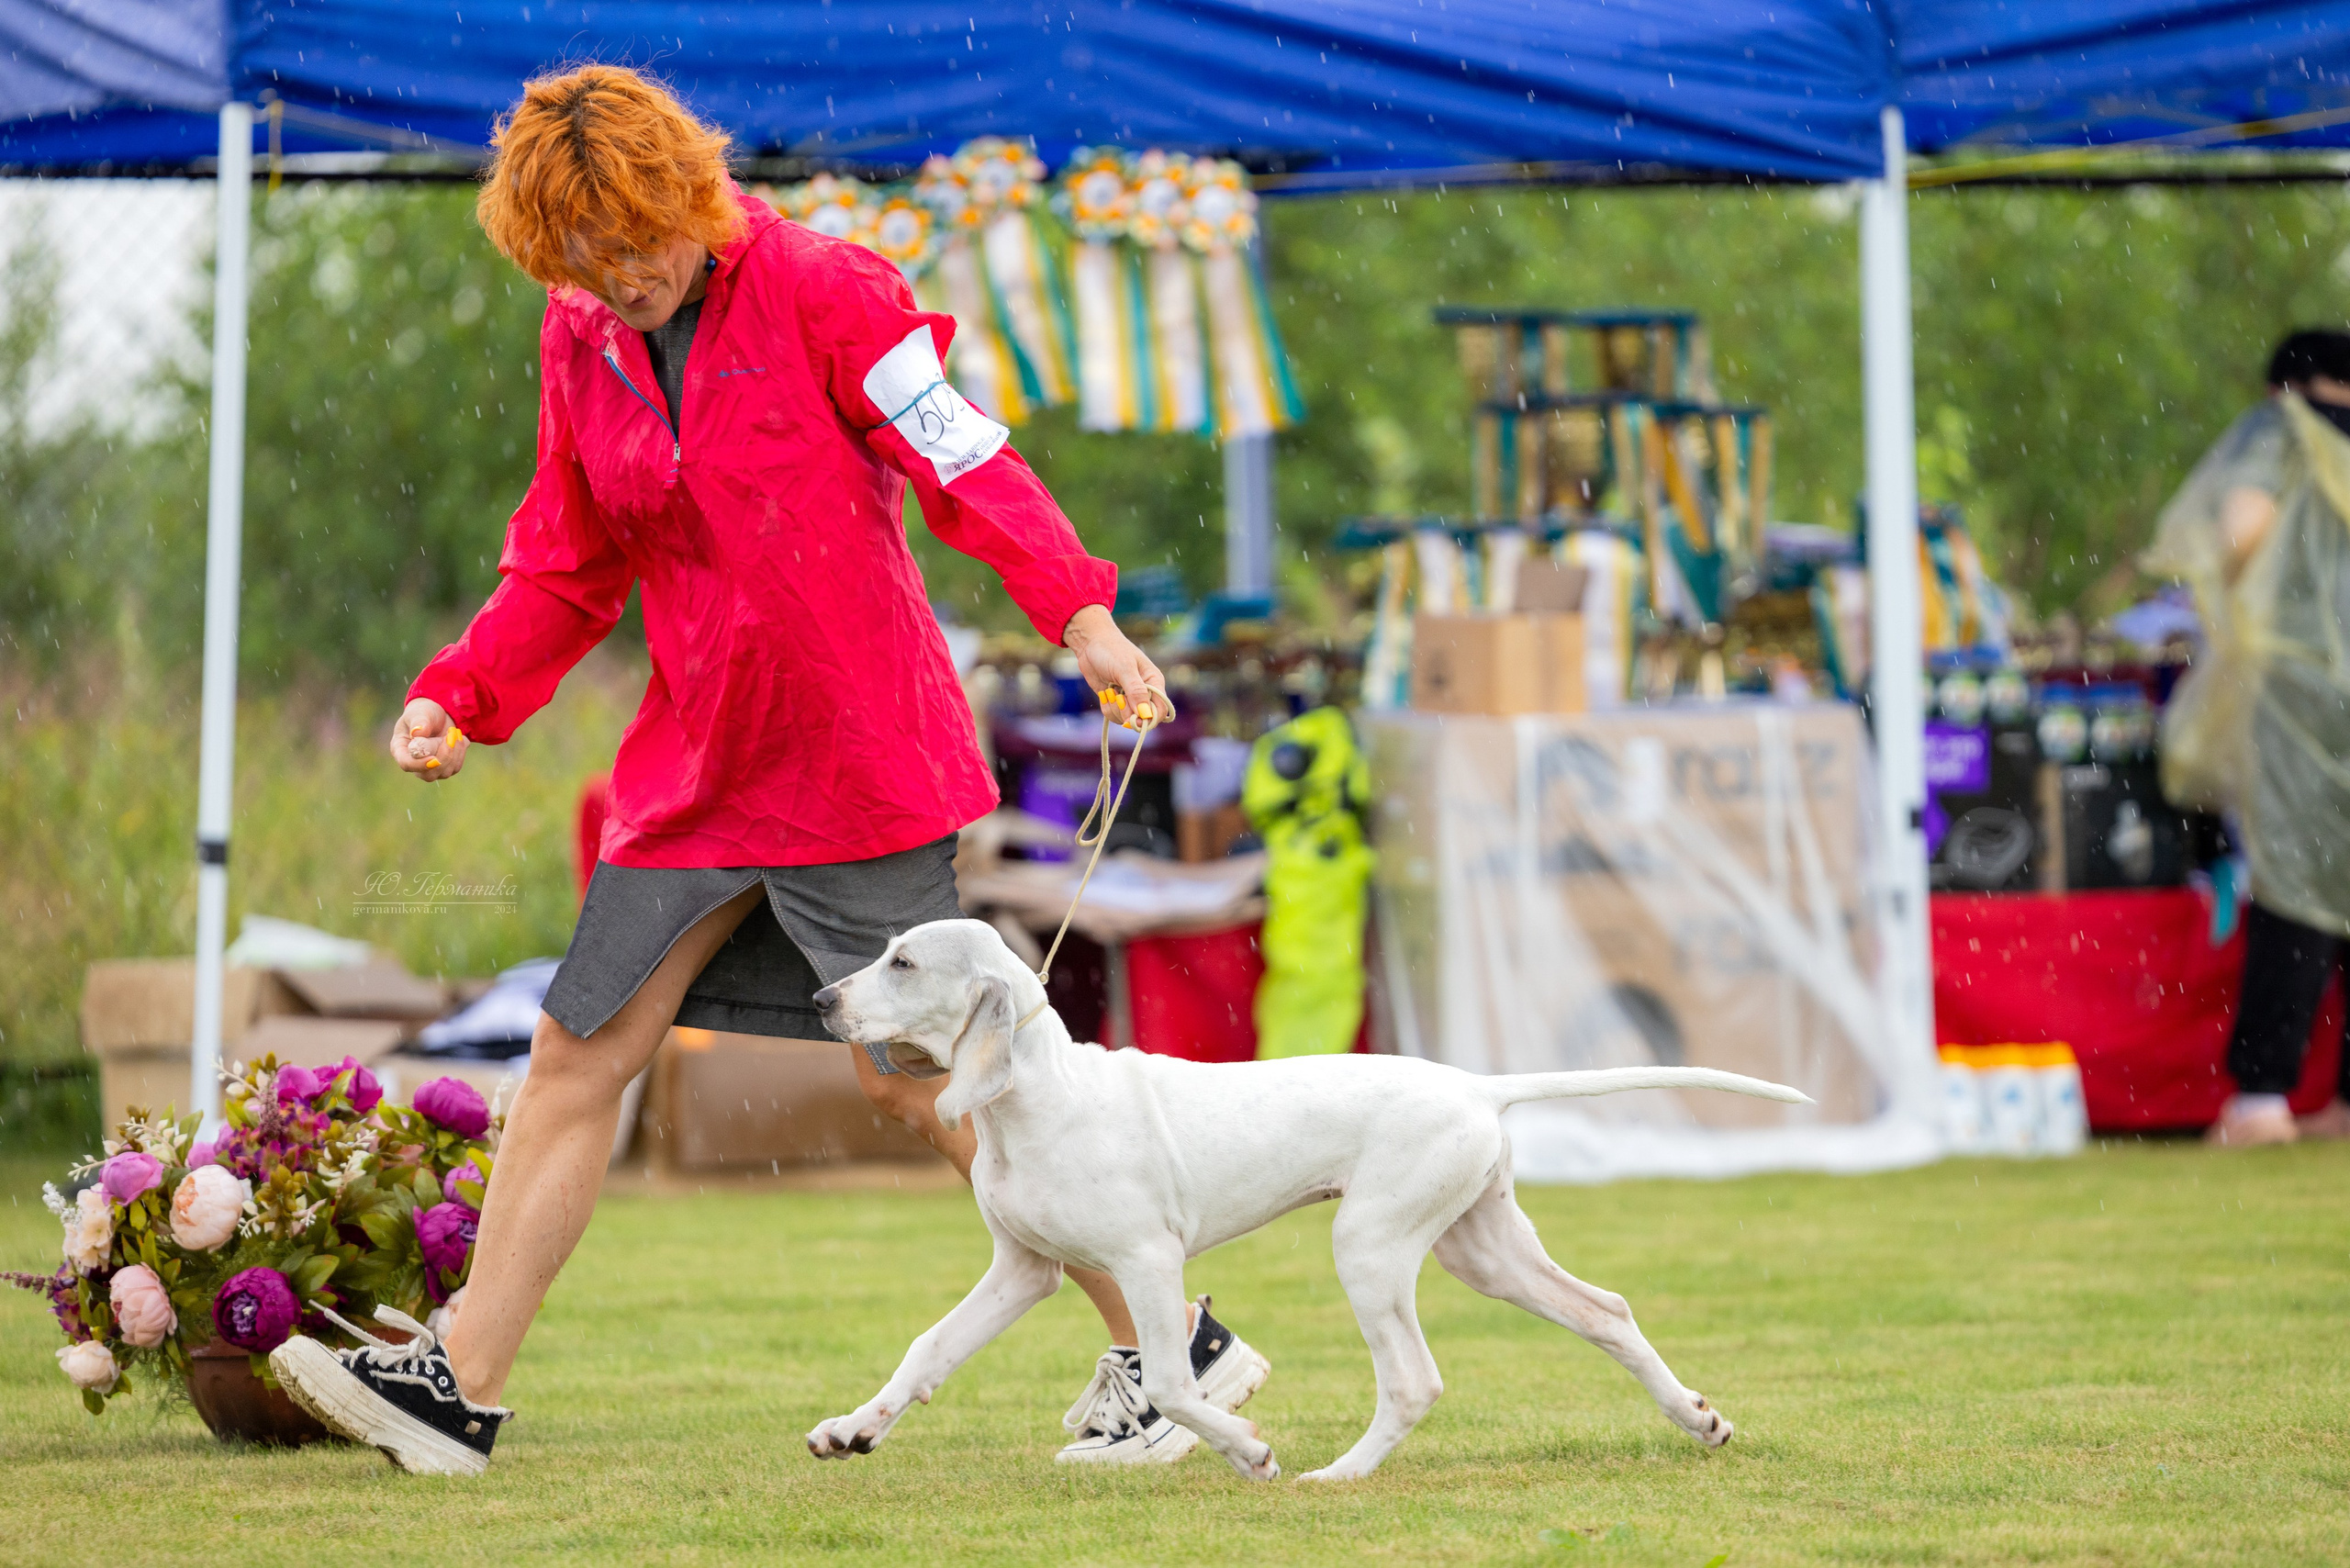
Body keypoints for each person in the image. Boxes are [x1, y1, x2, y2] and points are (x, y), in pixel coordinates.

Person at [271, 65, 1267, 1473]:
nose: (619, 278)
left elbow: (965, 464)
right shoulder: (581, 334)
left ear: (691, 194)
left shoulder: (828, 287)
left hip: (859, 757)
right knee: (575, 1054)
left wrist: (1081, 613)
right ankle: (458, 1389)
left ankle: (1179, 1350)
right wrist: (460, 693)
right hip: (692, 770)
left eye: (636, 243)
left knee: (919, 1082)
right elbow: (564, 557)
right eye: (583, 257)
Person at [2152, 329, 2350, 1147]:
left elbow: (2241, 528)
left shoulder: (2282, 431)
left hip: (2302, 690)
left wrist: (2238, 598)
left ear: (2283, 387)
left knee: (2294, 879)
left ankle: (2263, 1098)